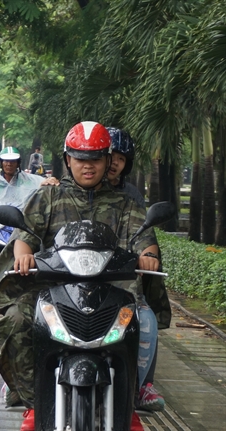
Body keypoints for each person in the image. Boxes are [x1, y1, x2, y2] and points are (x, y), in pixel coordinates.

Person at [0, 121, 160, 431]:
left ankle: (127, 403)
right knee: (16, 320)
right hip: (51, 291)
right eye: (80, 159)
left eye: (96, 159)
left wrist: (150, 256)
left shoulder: (126, 204)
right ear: (68, 160)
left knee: (138, 325)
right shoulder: (47, 197)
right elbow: (27, 235)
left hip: (111, 292)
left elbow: (144, 238)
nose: (88, 167)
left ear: (107, 161)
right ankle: (34, 401)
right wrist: (23, 254)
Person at [107, 127, 168, 412]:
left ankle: (142, 383)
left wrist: (147, 255)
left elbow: (143, 233)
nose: (113, 162)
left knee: (145, 316)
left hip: (120, 275)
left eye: (121, 158)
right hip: (74, 273)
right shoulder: (64, 193)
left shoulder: (130, 198)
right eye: (109, 155)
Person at [0, 147, 55, 285]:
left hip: (19, 221)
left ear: (18, 163)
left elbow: (40, 183)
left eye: (13, 161)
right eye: (6, 161)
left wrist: (50, 181)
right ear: (1, 163)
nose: (9, 164)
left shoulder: (27, 179)